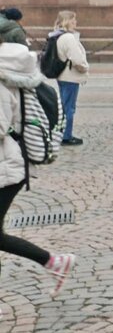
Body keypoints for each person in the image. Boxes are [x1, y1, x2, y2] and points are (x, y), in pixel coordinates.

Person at [0, 40, 76, 293]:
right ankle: (53, 261)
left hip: (7, 168)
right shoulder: (13, 73)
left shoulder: (2, 80)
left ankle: (54, 261)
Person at [51, 11, 89, 146]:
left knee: (64, 106)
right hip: (70, 77)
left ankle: (63, 134)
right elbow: (77, 59)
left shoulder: (57, 35)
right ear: (67, 21)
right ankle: (66, 136)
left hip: (63, 76)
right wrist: (85, 67)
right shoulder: (68, 38)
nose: (75, 23)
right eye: (73, 21)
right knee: (69, 108)